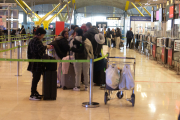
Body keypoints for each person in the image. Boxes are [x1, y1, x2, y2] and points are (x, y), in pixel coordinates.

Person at [27, 27, 51, 100]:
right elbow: (40, 50)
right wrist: (46, 46)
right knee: (36, 78)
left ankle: (34, 92)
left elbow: (29, 52)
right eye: (43, 35)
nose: (43, 37)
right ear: (39, 34)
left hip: (33, 62)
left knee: (35, 78)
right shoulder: (37, 41)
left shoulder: (32, 40)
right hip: (37, 63)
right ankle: (32, 94)